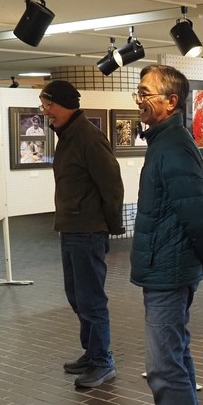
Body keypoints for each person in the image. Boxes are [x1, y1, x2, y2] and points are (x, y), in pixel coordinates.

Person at [130, 65, 203, 405]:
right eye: (138, 92)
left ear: (171, 101)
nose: (139, 99)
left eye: (146, 93)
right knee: (176, 351)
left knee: (163, 363)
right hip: (163, 264)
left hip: (170, 268)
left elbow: (198, 212)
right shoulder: (163, 142)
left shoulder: (174, 147)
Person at [39, 79, 125, 388]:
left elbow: (112, 185)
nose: (45, 111)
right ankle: (92, 353)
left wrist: (111, 227)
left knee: (91, 298)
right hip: (71, 228)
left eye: (49, 105)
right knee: (76, 295)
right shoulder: (67, 135)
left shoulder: (89, 137)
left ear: (65, 104)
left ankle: (102, 361)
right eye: (43, 105)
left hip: (88, 231)